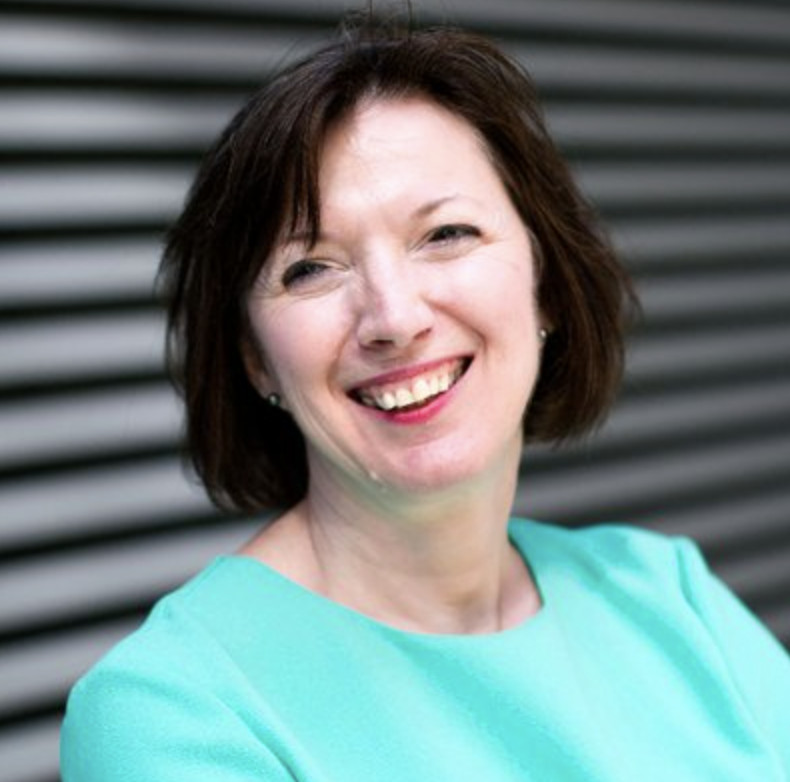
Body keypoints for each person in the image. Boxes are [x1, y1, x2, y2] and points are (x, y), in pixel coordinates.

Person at [61, 8, 790, 781]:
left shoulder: (668, 596)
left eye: (446, 235)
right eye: (310, 269)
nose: (395, 318)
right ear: (257, 360)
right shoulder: (171, 713)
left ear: (543, 283)